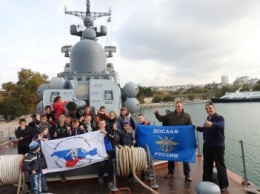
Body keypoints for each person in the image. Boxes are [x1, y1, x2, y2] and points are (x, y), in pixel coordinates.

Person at [153, 101, 192, 181]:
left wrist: (190, 140)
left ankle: (187, 174)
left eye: (179, 106)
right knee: (171, 156)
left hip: (182, 140)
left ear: (182, 106)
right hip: (172, 139)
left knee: (185, 157)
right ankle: (170, 172)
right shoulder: (170, 115)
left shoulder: (187, 116)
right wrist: (156, 113)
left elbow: (189, 128)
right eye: (176, 106)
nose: (177, 108)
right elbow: (161, 119)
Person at [196, 102, 229, 192]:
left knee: (220, 166)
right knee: (207, 165)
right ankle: (206, 182)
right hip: (207, 146)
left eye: (210, 108)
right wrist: (197, 127)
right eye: (207, 109)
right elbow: (205, 128)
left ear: (214, 108)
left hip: (217, 146)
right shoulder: (208, 118)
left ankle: (224, 185)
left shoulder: (219, 118)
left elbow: (221, 125)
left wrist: (212, 124)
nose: (208, 110)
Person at [95, 119, 116, 190]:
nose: (101, 125)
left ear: (105, 124)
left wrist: (106, 133)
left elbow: (113, 138)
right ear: (98, 125)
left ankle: (110, 181)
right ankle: (100, 176)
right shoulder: (96, 132)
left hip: (109, 150)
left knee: (110, 166)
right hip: (100, 151)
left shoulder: (108, 130)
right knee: (101, 165)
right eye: (100, 124)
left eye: (102, 124)